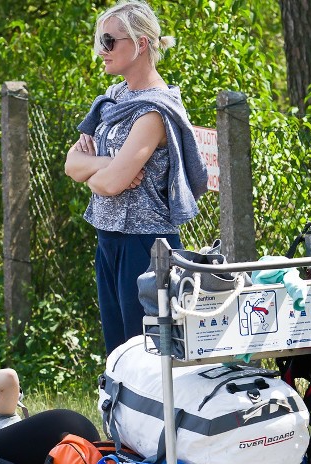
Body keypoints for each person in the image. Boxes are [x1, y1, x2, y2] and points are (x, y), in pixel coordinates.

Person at [64, 0, 208, 355]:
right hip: (108, 238)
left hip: (145, 247)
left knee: (144, 354)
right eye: (100, 40)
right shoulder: (113, 99)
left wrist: (96, 170)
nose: (101, 50)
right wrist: (108, 166)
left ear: (141, 44)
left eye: (109, 41)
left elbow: (110, 184)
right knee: (117, 352)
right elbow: (71, 164)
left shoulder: (154, 111)